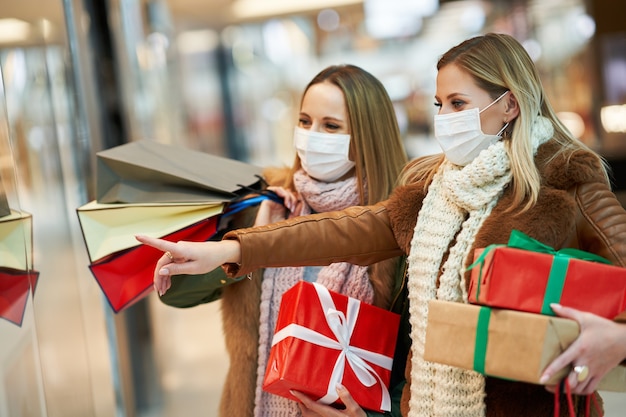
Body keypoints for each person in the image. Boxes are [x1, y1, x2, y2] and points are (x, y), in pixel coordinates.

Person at [137, 33, 626, 417]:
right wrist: (228, 250)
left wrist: (619, 340)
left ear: (510, 104)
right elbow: (341, 231)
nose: (444, 118)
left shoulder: (567, 182)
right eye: (439, 105)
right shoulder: (431, 186)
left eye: (458, 103)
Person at [153, 64, 409, 417]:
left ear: (368, 136)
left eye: (330, 126)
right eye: (304, 122)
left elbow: (416, 366)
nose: (311, 135)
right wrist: (252, 241)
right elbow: (176, 295)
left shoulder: (397, 227)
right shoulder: (266, 200)